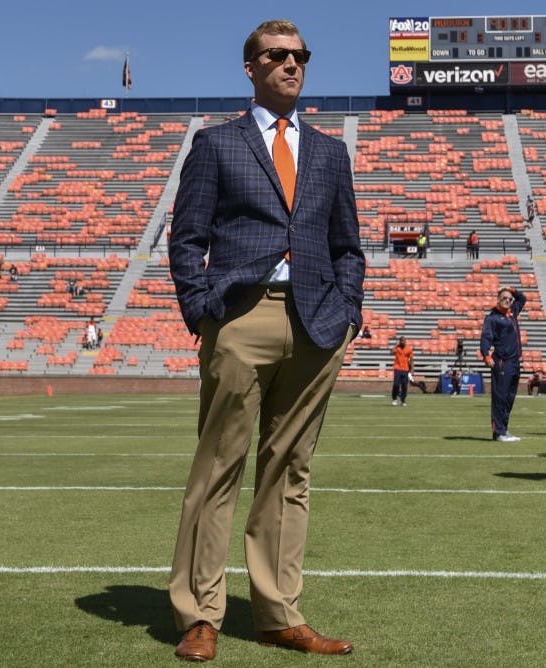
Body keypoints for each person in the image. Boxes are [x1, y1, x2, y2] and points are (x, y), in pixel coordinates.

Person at [167, 19, 363, 661]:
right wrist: (203, 313)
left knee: (291, 470)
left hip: (316, 322)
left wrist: (349, 312)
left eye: (299, 56)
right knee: (217, 467)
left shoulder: (332, 153)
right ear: (249, 68)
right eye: (276, 55)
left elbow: (347, 246)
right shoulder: (215, 145)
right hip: (239, 317)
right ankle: (200, 614)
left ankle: (279, 613)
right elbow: (187, 237)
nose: (291, 64)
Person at [480, 287, 526, 442]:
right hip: (502, 362)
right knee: (500, 398)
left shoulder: (512, 311)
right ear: (497, 299)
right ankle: (498, 432)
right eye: (504, 298)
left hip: (514, 363)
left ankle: (504, 430)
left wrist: (512, 290)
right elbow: (486, 337)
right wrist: (486, 354)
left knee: (509, 398)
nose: (508, 300)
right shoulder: (492, 318)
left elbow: (522, 299)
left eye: (509, 298)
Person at [391, 336, 413, 406]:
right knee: (396, 385)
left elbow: (411, 360)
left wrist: (412, 370)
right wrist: (395, 345)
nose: (403, 342)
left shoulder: (409, 349)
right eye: (402, 341)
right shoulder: (397, 348)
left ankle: (403, 400)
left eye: (404, 341)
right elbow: (391, 352)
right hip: (397, 369)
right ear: (400, 341)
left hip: (405, 369)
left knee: (404, 386)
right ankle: (394, 399)